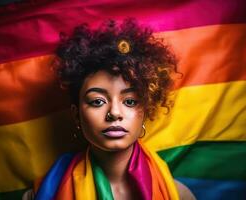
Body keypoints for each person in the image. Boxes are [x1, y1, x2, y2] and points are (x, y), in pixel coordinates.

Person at [23, 18, 195, 200]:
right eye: (97, 101)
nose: (114, 113)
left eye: (129, 101)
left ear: (145, 111)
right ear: (76, 115)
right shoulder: (41, 194)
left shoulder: (178, 195)